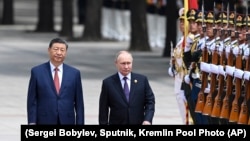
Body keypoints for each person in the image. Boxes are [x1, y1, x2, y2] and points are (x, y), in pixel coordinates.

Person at [27, 38, 84, 125]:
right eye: (56, 49)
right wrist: (32, 122)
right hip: (44, 120)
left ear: (66, 52)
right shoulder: (37, 72)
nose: (59, 53)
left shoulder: (74, 73)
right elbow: (32, 100)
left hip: (67, 120)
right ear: (49, 50)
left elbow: (79, 102)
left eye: (62, 50)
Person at [99, 50, 155, 125]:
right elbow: (103, 109)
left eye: (128, 63)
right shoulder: (108, 83)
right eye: (123, 63)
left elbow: (150, 101)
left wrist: (147, 119)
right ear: (116, 63)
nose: (126, 66)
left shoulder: (142, 80)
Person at [168, 7, 188, 124]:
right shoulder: (181, 40)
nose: (181, 23)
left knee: (188, 118)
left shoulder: (190, 41)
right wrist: (172, 68)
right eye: (180, 21)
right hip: (178, 82)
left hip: (186, 84)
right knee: (183, 117)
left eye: (184, 21)